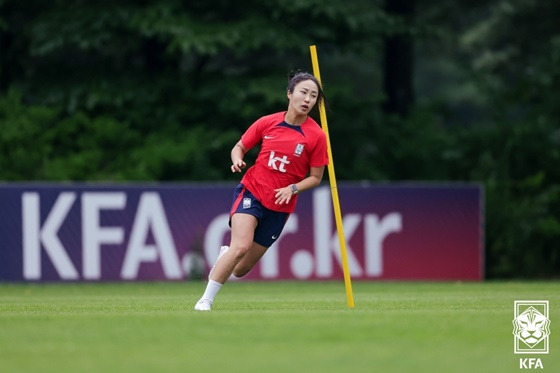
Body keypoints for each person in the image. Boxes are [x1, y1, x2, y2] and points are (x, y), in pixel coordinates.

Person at [194, 71, 329, 311]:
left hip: (280, 206)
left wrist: (293, 188)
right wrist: (237, 160)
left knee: (241, 268)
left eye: (313, 96)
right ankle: (205, 300)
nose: (308, 99)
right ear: (289, 94)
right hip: (252, 191)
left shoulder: (316, 135)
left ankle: (226, 254)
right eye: (303, 92)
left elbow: (316, 177)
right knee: (241, 246)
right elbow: (240, 147)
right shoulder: (268, 122)